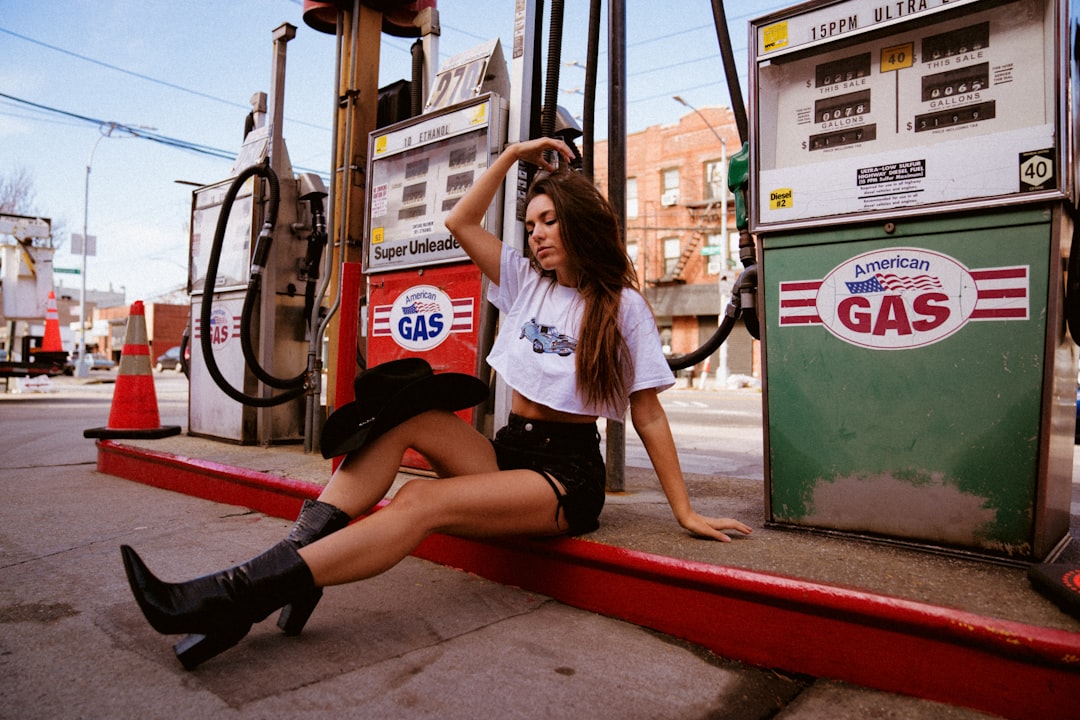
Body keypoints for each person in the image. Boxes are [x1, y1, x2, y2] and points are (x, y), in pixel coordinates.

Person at [121, 136, 752, 670]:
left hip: (564, 477)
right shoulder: (525, 283)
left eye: (548, 222)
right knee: (407, 416)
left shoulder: (623, 308)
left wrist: (685, 511)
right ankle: (285, 571)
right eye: (529, 225)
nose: (535, 237)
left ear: (581, 222)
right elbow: (460, 224)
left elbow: (647, 414)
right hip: (510, 456)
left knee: (418, 499)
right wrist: (510, 156)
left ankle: (233, 597)